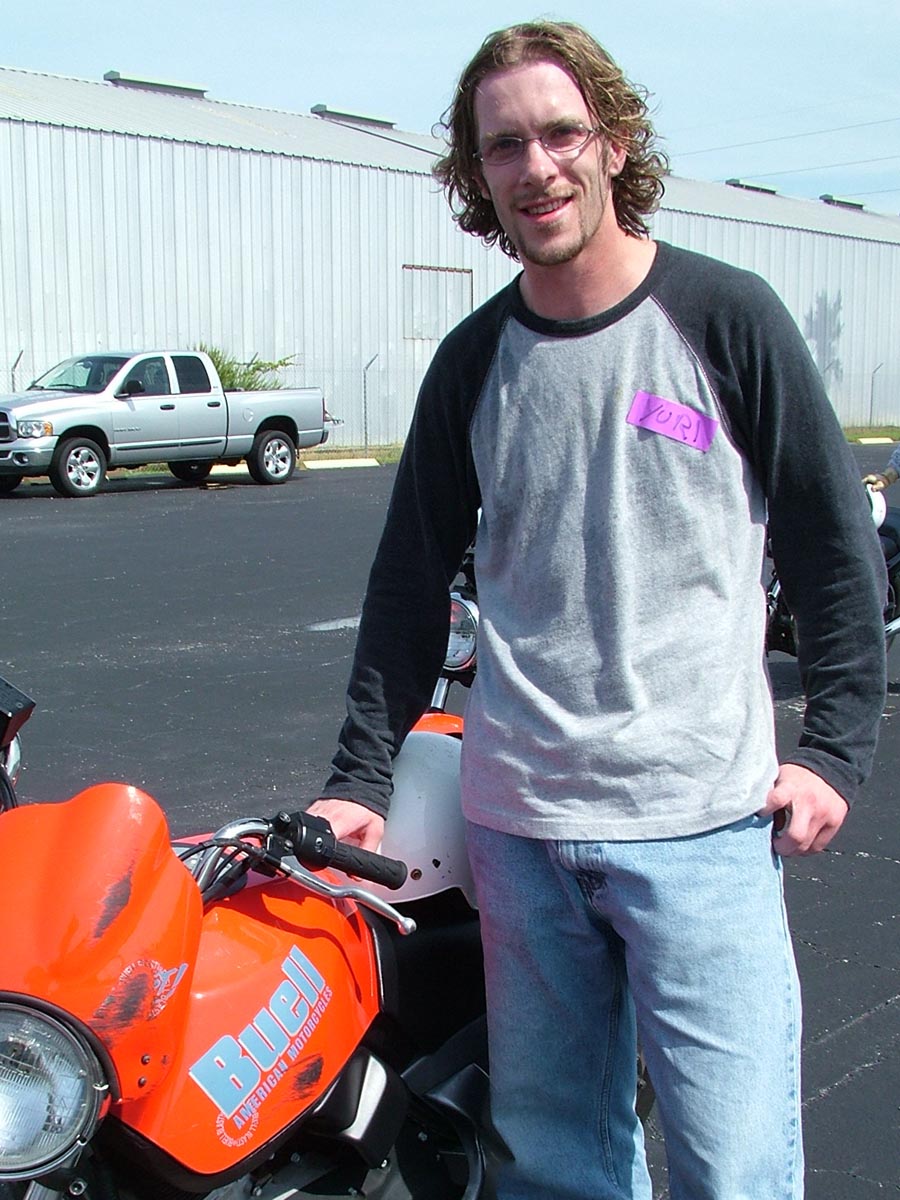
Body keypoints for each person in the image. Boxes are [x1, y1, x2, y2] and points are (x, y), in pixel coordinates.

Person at [311, 20, 887, 1199]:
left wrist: (834, 750)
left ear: (615, 144)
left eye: (562, 133)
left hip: (701, 827)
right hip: (521, 833)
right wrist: (359, 777)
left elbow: (835, 549)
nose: (538, 167)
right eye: (504, 146)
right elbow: (409, 583)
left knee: (736, 1170)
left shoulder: (726, 320)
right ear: (478, 174)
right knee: (557, 1168)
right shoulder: (474, 363)